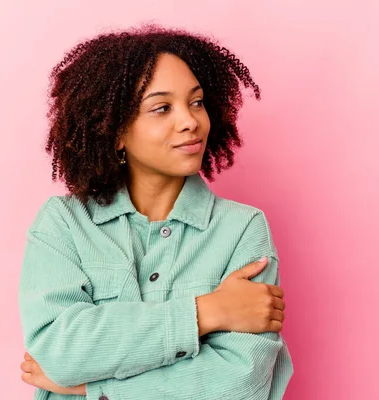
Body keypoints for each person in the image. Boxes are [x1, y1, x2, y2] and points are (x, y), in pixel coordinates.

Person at [18, 24, 293, 400]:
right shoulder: (64, 223)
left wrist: (94, 388)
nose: (190, 121)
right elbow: (57, 353)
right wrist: (206, 312)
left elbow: (240, 385)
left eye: (196, 102)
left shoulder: (243, 230)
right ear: (115, 130)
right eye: (162, 108)